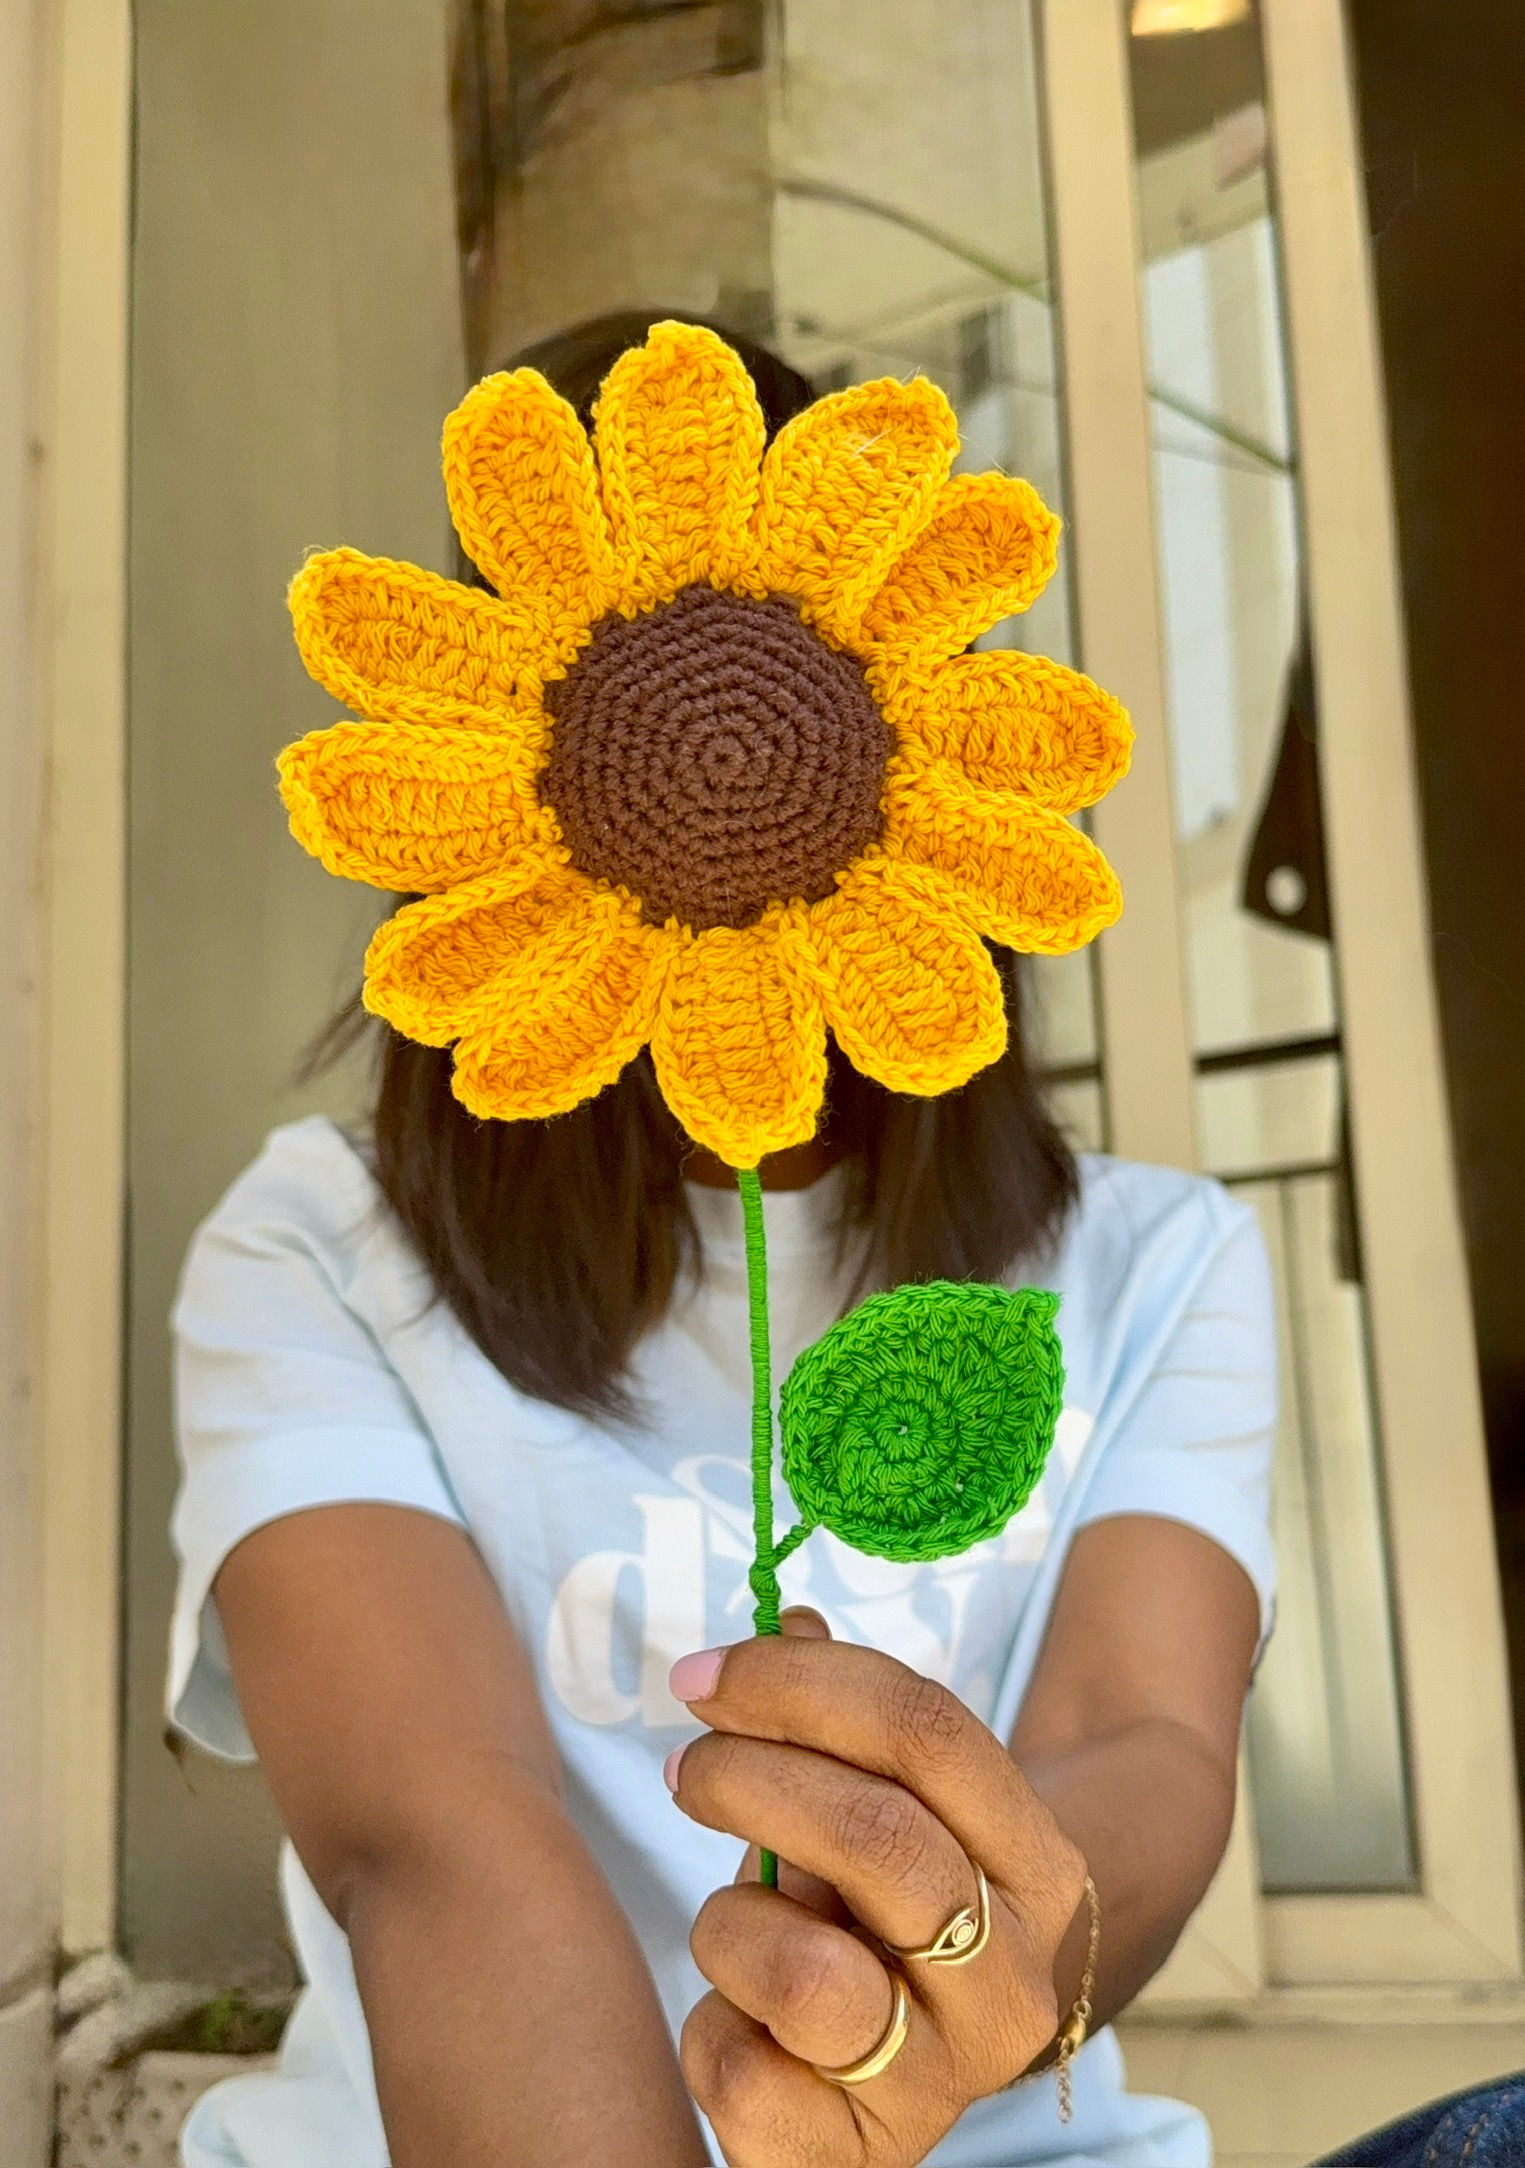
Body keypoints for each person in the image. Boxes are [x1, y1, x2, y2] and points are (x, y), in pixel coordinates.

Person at [167, 315, 1277, 2168]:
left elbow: (1140, 1747)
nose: (715, 752)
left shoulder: (1158, 1265)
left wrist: (986, 1981)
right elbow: (439, 1843)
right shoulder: (317, 1246)